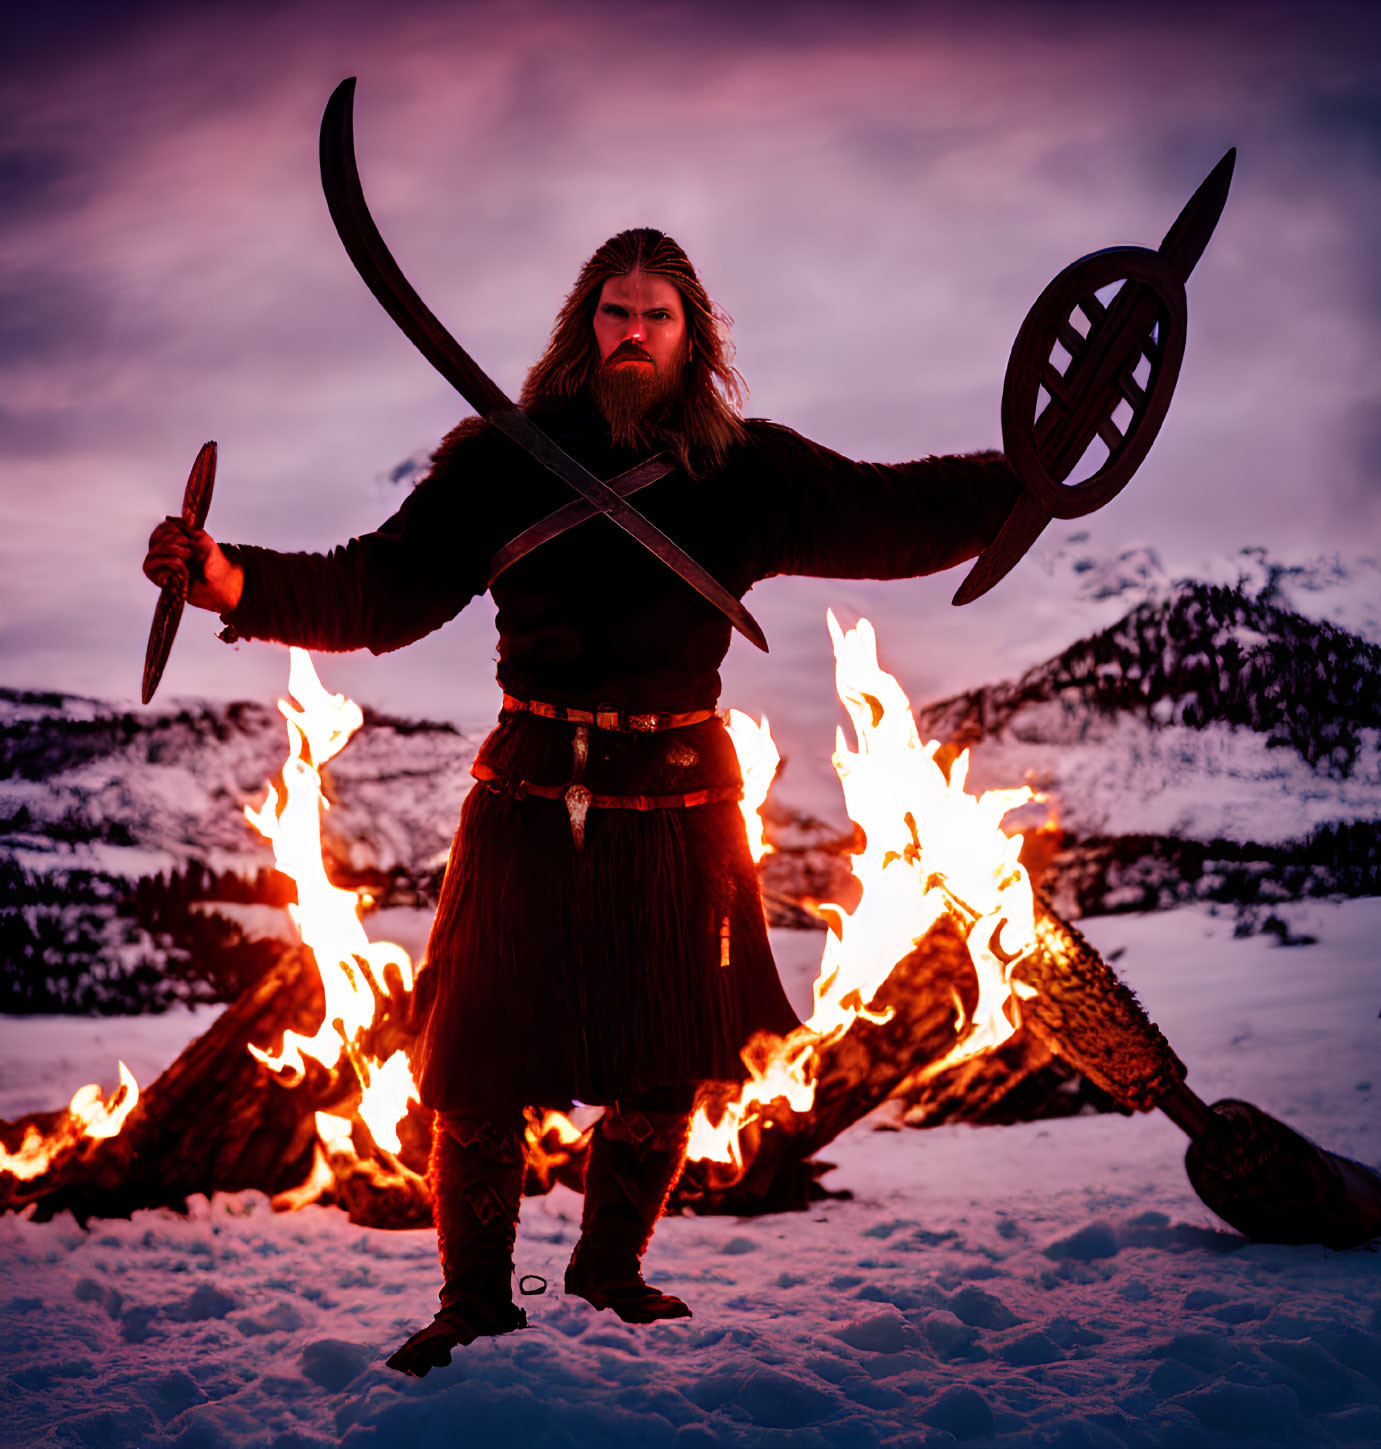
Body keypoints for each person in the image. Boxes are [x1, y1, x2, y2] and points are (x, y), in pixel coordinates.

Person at [144, 227, 1021, 1374]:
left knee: (668, 1056)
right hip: (528, 790)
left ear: (691, 338)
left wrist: (1026, 482)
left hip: (681, 800)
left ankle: (611, 1271)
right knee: (479, 1057)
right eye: (617, 311)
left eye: (658, 315)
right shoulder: (500, 463)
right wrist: (231, 578)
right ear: (584, 326)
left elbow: (891, 513)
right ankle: (473, 1300)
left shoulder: (741, 471)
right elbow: (379, 590)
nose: (635, 332)